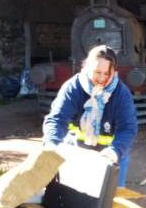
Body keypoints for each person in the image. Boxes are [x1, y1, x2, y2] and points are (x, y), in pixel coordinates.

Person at [42, 45, 138, 186]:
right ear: (87, 67)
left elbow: (128, 128)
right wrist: (52, 145)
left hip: (112, 156)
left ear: (113, 71)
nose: (101, 78)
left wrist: (114, 151)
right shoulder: (73, 88)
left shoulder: (121, 94)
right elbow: (57, 120)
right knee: (73, 199)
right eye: (97, 72)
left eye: (107, 73)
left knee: (111, 201)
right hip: (76, 152)